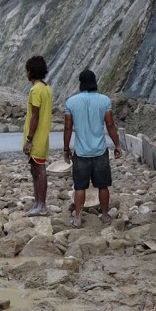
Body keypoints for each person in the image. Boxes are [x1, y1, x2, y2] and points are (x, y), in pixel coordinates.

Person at [63, 69, 123, 228]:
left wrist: (66, 149)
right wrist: (117, 145)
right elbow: (110, 125)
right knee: (103, 185)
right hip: (100, 151)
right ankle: (104, 215)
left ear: (81, 83)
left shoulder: (71, 102)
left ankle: (77, 218)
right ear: (95, 82)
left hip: (81, 152)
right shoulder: (104, 100)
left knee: (80, 186)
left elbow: (68, 128)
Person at [22, 56, 53, 217]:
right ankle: (37, 202)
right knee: (35, 169)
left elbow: (35, 116)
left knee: (39, 170)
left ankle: (41, 205)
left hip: (36, 138)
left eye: (27, 71)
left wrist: (29, 139)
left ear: (30, 72)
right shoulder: (46, 88)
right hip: (43, 136)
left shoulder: (35, 90)